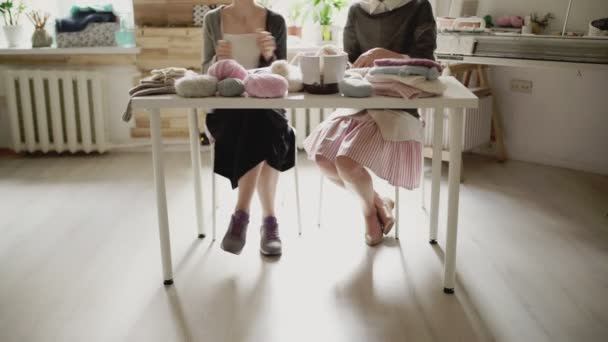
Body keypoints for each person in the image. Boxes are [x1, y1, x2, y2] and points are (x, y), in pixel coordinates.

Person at [303, 0, 437, 246]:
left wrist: (383, 55)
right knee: (323, 158)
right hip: (360, 102)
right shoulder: (357, 10)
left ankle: (369, 216)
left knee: (346, 162)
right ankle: (378, 203)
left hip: (399, 105)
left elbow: (426, 59)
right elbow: (351, 64)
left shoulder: (418, 6)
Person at [202, 0, 294, 256]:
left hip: (267, 108)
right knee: (260, 122)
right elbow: (203, 73)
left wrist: (270, 57)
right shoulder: (213, 20)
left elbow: (284, 77)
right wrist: (216, 61)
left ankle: (240, 216)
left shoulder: (275, 21)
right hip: (226, 110)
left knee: (261, 117)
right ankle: (269, 223)